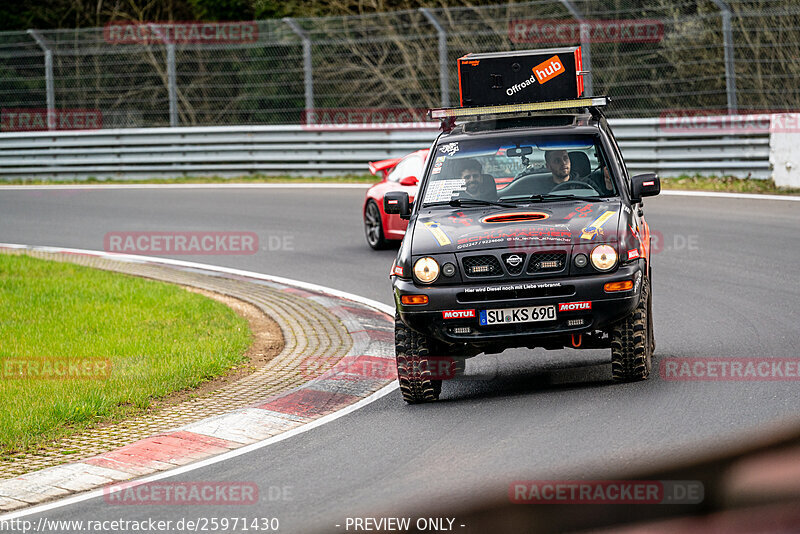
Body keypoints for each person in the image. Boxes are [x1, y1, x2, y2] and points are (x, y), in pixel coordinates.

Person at [543, 149, 615, 196]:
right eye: (557, 161)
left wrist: (609, 186)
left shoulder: (587, 184)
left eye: (565, 158)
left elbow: (604, 203)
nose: (563, 163)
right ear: (548, 166)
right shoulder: (542, 189)